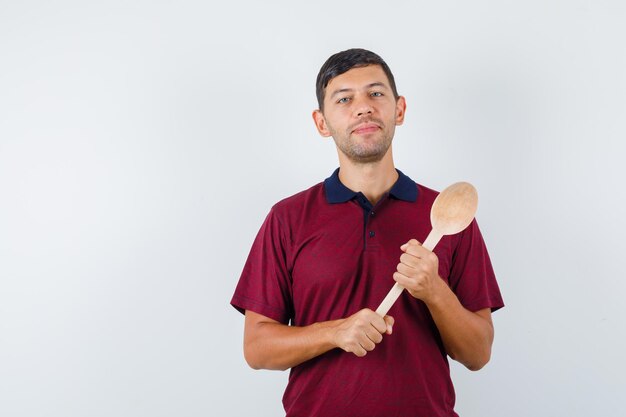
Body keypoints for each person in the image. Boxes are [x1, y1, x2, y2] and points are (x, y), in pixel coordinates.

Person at [230, 48, 504, 417]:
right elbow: (257, 348)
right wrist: (335, 332)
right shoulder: (287, 218)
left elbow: (478, 354)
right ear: (322, 122)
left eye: (376, 93)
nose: (363, 107)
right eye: (344, 99)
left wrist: (435, 291)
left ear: (400, 109)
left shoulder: (449, 217)